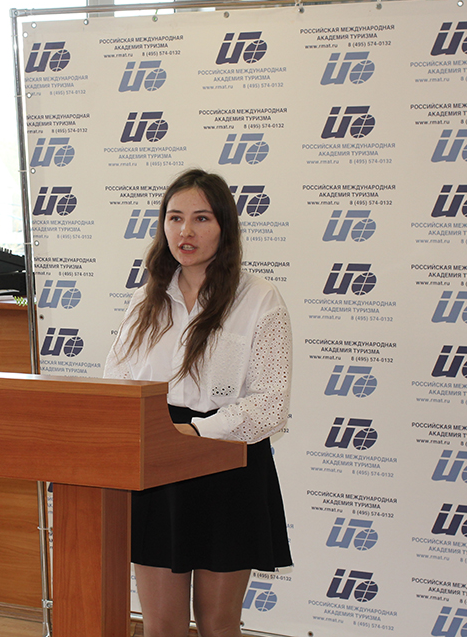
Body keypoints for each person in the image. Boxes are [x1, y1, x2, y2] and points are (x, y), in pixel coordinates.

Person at [104, 168, 292, 637]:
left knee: (218, 624)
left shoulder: (259, 299)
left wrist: (194, 432)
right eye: (174, 218)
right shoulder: (145, 300)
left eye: (201, 218)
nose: (185, 231)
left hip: (226, 465)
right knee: (161, 625)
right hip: (157, 469)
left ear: (225, 226)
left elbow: (271, 403)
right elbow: (117, 384)